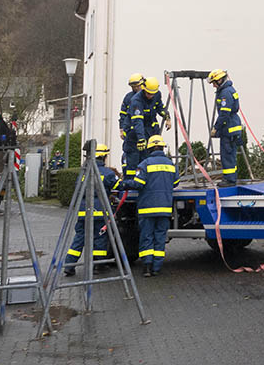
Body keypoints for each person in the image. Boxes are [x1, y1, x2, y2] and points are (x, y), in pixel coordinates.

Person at [63, 144, 121, 276]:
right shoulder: (108, 173)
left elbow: (78, 190)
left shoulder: (84, 172)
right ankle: (98, 266)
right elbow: (118, 186)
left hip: (84, 212)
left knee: (79, 238)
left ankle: (69, 265)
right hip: (100, 212)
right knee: (99, 238)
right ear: (103, 157)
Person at [133, 135, 179, 277]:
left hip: (147, 208)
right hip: (164, 208)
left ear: (150, 148)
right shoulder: (171, 165)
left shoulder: (145, 164)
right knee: (160, 237)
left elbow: (138, 184)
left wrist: (125, 184)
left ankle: (147, 267)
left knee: (147, 236)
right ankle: (157, 268)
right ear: (162, 148)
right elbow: (175, 183)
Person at [209, 69, 243, 186]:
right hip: (232, 126)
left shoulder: (225, 93)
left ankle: (229, 180)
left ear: (219, 80)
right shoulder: (228, 90)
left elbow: (224, 114)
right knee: (230, 154)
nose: (213, 85)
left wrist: (216, 128)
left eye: (214, 82)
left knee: (227, 154)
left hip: (229, 127)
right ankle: (230, 178)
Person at [119, 73, 145, 178]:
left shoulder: (147, 96)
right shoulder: (128, 97)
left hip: (144, 131)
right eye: (133, 86)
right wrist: (121, 128)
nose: (135, 88)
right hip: (130, 132)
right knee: (131, 158)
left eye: (136, 86)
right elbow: (123, 114)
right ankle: (130, 180)